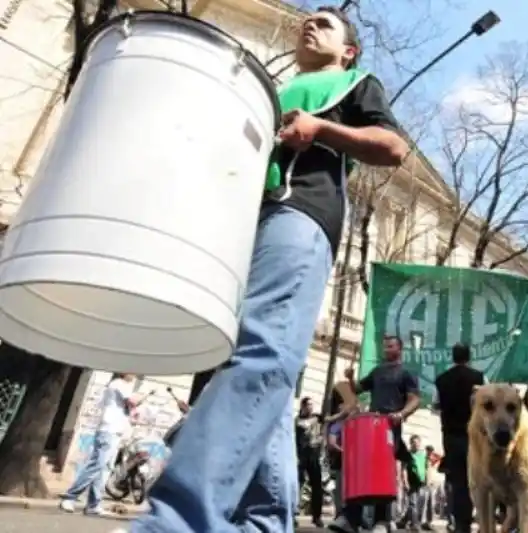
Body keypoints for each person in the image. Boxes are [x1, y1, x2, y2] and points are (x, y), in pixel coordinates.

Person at [120, 6, 407, 533]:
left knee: (259, 350)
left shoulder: (354, 83)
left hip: (299, 214)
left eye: (326, 22)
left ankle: (179, 520)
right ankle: (264, 521)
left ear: (349, 50)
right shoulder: (271, 88)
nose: (311, 23)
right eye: (309, 18)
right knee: (258, 368)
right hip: (240, 228)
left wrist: (320, 128)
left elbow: (393, 147)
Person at [330, 335, 421, 533]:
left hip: (390, 427)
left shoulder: (406, 373)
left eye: (390, 346)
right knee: (362, 470)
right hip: (370, 427)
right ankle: (350, 518)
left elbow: (415, 400)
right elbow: (357, 390)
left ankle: (381, 520)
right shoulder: (377, 372)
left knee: (384, 471)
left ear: (400, 349)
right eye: (385, 346)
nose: (386, 349)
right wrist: (350, 378)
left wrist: (401, 414)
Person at [60, 373, 143, 516]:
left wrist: (131, 416)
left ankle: (93, 504)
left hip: (116, 431)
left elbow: (126, 407)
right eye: (133, 372)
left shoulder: (123, 386)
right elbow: (133, 401)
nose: (135, 375)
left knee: (105, 468)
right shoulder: (118, 383)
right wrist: (140, 396)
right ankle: (70, 497)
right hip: (108, 430)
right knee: (97, 464)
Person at [432, 343, 485, 533]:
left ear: (453, 358)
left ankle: (462, 524)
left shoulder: (441, 380)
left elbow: (435, 405)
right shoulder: (479, 378)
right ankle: (481, 519)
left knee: (458, 482)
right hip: (474, 437)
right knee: (478, 479)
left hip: (451, 437)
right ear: (469, 358)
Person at [296, 397, 325, 528]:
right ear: (303, 406)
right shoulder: (297, 421)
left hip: (313, 456)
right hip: (301, 456)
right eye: (308, 405)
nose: (311, 407)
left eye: (312, 405)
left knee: (317, 487)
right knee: (297, 485)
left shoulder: (317, 418)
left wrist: (320, 439)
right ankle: (292, 514)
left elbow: (328, 422)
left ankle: (317, 516)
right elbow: (302, 428)